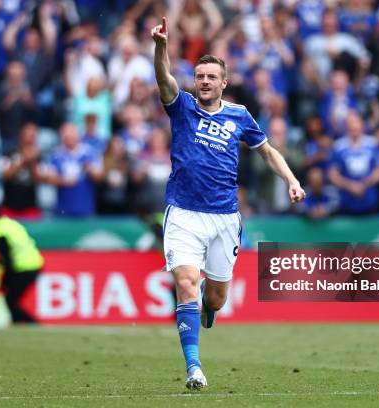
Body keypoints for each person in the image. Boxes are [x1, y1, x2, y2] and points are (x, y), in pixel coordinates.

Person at [151, 17, 305, 389]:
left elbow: (266, 151)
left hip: (224, 218)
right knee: (186, 282)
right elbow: (164, 79)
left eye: (210, 77)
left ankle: (209, 305)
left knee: (216, 298)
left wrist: (292, 180)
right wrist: (160, 47)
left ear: (224, 82)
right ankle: (194, 367)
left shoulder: (240, 116)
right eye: (199, 76)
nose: (204, 81)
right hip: (183, 213)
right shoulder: (182, 107)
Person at [0, 212, 44, 323]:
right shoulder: (11, 223)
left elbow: (7, 258)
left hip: (23, 268)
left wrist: (3, 279)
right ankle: (20, 323)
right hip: (35, 263)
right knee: (11, 300)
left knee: (10, 301)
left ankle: (32, 323)